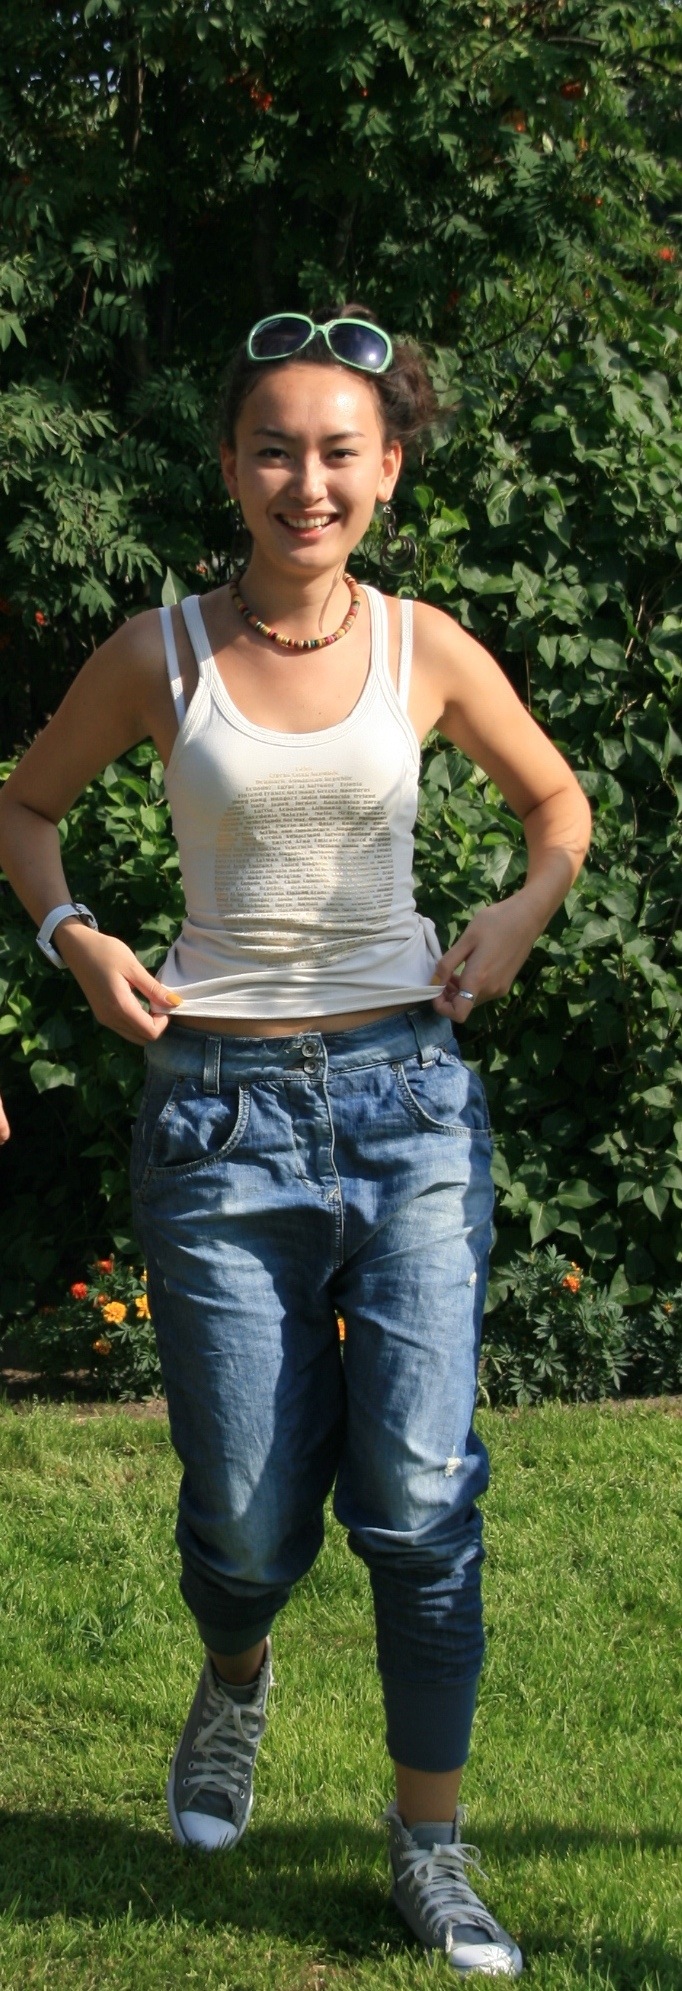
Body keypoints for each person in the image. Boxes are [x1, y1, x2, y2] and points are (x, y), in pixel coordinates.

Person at [0, 308, 591, 1977]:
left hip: (409, 1107)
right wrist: (73, 938)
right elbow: (25, 807)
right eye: (274, 448)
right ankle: (236, 1679)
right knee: (250, 1522)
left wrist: (518, 913)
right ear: (229, 467)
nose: (305, 481)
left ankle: (430, 1848)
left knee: (418, 1497)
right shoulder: (159, 654)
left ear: (387, 471)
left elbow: (556, 809)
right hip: (219, 1118)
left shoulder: (425, 648)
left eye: (340, 452)